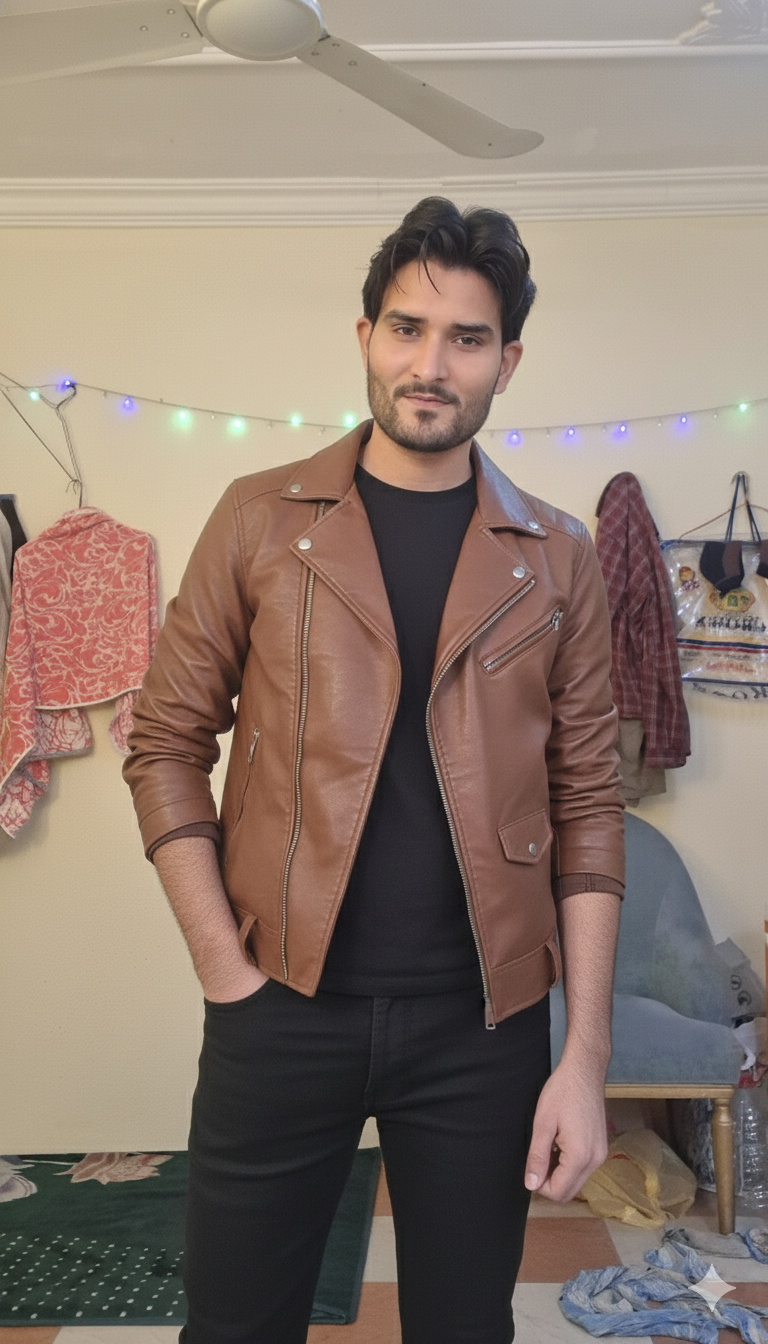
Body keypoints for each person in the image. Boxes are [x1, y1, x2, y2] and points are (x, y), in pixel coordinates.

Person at [123, 196, 625, 1344]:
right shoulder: (258, 520)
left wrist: (585, 1056)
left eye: (467, 338)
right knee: (235, 1325)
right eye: (407, 328)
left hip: (484, 1026)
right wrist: (223, 969)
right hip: (278, 1005)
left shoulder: (559, 557)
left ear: (507, 361)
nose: (430, 365)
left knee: (464, 1327)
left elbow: (590, 804)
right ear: (366, 337)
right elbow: (164, 744)